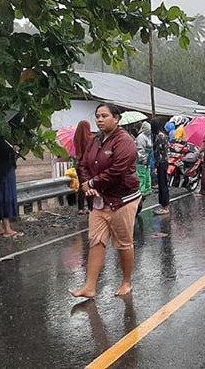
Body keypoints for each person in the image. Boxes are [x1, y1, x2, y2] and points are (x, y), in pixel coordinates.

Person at [70, 103, 142, 298]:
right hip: (99, 200)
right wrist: (86, 184)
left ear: (116, 119)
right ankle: (90, 287)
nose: (99, 119)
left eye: (104, 116)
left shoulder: (124, 141)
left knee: (123, 243)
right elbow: (83, 163)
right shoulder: (95, 140)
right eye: (97, 116)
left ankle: (127, 282)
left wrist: (93, 183)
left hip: (122, 199)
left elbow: (118, 170)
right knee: (96, 241)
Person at [73, 120, 95, 215]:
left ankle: (80, 208)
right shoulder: (91, 138)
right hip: (89, 165)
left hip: (79, 165)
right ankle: (90, 208)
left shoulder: (76, 138)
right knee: (89, 185)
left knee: (81, 187)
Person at [151, 119, 171, 215]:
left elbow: (158, 152)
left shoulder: (159, 137)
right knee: (162, 184)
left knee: (163, 184)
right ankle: (164, 205)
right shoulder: (163, 135)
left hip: (161, 163)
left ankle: (165, 206)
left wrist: (156, 165)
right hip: (164, 162)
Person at [135, 121, 153, 195]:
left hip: (147, 158)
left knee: (146, 174)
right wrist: (143, 158)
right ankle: (142, 190)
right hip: (141, 160)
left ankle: (147, 189)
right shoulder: (141, 137)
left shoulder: (147, 136)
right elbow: (140, 150)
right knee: (141, 175)